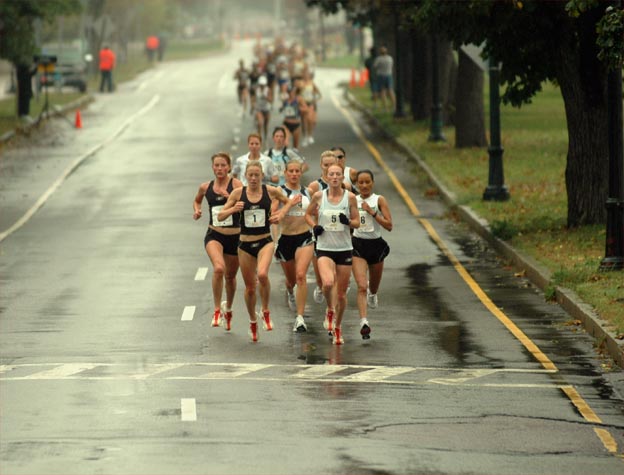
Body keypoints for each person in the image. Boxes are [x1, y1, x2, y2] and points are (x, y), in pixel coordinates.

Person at [217, 160, 294, 342]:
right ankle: (252, 321)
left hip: (264, 241)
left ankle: (265, 311)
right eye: (250, 175)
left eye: (256, 175)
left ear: (262, 176)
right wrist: (232, 209)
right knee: (250, 288)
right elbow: (220, 215)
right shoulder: (238, 193)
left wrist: (281, 214)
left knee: (263, 275)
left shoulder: (270, 191)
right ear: (245, 176)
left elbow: (288, 201)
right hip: (244, 244)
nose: (253, 178)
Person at [305, 163, 360, 345]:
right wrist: (315, 226)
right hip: (324, 248)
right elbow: (307, 214)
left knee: (342, 295)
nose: (335, 177)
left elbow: (357, 222)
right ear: (327, 177)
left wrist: (348, 222)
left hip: (344, 249)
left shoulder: (350, 198)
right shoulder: (319, 196)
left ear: (342, 178)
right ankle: (330, 309)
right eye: (332, 174)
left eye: (338, 174)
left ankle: (338, 327)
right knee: (328, 283)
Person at [192, 152, 243, 331]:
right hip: (214, 234)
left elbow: (247, 203)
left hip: (235, 236)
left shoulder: (236, 185)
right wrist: (197, 211)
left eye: (223, 165)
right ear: (212, 167)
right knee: (219, 268)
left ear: (229, 167)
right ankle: (216, 309)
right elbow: (197, 201)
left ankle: (227, 308)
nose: (220, 169)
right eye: (216, 165)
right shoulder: (206, 187)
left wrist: (228, 195)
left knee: (230, 276)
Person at [273, 159, 315, 332]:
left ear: (301, 173)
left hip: (305, 237)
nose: (294, 174)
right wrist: (287, 206)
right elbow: (273, 215)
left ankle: (299, 318)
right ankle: (290, 292)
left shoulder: (309, 191)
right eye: (291, 171)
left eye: (297, 171)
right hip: (286, 239)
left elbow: (315, 213)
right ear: (286, 173)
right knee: (291, 281)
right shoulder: (279, 191)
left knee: (300, 276)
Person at [351, 169, 393, 340]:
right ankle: (364, 322)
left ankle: (373, 294)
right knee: (361, 285)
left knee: (372, 287)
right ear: (356, 184)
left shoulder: (379, 200)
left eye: (367, 182)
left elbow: (389, 225)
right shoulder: (351, 199)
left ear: (372, 183)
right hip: (358, 245)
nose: (364, 185)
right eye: (360, 182)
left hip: (375, 245)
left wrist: (372, 212)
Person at [280, 83, 307, 150]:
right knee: (285, 143)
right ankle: (285, 158)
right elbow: (283, 108)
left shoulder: (298, 99)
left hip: (296, 124)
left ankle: (294, 159)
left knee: (295, 147)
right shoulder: (285, 99)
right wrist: (282, 109)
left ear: (294, 92)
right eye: (289, 92)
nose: (291, 93)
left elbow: (306, 109)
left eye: (292, 92)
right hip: (286, 123)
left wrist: (299, 108)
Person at [300, 70, 321, 147]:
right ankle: (305, 136)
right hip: (302, 104)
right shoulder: (300, 83)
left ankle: (309, 135)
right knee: (304, 121)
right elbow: (297, 93)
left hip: (310, 103)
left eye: (307, 75)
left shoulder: (312, 83)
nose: (306, 76)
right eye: (304, 75)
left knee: (310, 120)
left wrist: (315, 100)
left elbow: (318, 93)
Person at [373, 46, 396, 112]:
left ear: (380, 52)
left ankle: (385, 108)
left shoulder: (379, 59)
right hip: (389, 75)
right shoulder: (390, 58)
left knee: (382, 92)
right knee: (391, 91)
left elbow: (375, 66)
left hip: (381, 76)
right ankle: (394, 106)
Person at [254, 75, 272, 144]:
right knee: (260, 123)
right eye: (261, 85)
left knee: (266, 124)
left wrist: (266, 97)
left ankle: (265, 136)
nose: (262, 86)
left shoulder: (268, 90)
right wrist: (253, 106)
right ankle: (259, 138)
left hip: (267, 109)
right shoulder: (256, 90)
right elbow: (254, 98)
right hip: (259, 109)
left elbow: (270, 100)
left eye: (263, 85)